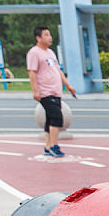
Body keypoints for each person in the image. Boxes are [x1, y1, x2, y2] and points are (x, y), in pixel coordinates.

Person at [26, 26, 76, 158]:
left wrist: (68, 86)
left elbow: (58, 71)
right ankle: (54, 146)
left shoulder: (51, 53)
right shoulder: (34, 53)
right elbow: (32, 72)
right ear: (38, 38)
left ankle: (48, 147)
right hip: (45, 91)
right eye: (46, 35)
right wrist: (35, 91)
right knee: (57, 117)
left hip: (56, 91)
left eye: (50, 35)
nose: (50, 37)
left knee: (50, 119)